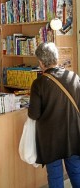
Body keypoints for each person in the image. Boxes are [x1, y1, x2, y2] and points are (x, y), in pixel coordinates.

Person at [28, 42, 80, 188]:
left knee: (55, 175)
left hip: (51, 139)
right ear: (56, 58)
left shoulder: (39, 83)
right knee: (76, 172)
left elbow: (34, 114)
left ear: (40, 62)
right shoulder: (74, 77)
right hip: (74, 134)